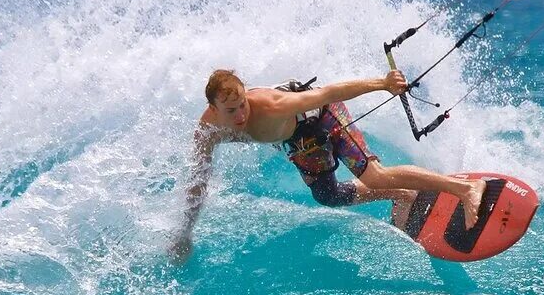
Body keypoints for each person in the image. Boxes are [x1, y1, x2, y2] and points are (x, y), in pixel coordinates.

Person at [170, 68, 486, 261]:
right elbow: (198, 182)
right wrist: (185, 233)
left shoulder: (272, 105)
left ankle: (464, 188)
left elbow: (329, 92)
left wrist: (383, 83)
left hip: (323, 113)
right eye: (231, 111)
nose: (241, 116)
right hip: (299, 137)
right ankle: (403, 193)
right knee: (327, 195)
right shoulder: (207, 132)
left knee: (374, 176)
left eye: (242, 105)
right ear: (213, 108)